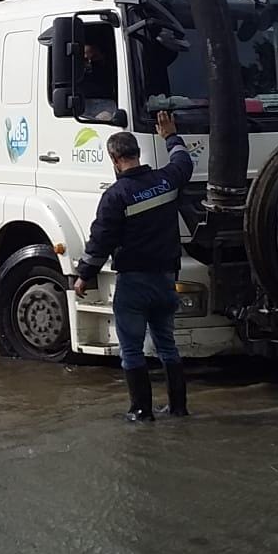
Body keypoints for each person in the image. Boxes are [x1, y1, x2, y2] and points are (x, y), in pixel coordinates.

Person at [74, 111, 193, 422]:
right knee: (167, 345)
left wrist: (83, 276)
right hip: (166, 279)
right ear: (137, 155)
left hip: (134, 284)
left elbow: (101, 240)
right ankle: (179, 408)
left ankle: (141, 411)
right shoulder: (166, 181)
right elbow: (184, 163)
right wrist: (170, 136)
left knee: (132, 350)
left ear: (115, 160)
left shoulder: (116, 196)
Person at [78, 29, 118, 122]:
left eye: (94, 57)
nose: (90, 63)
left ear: (103, 56)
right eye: (85, 59)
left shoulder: (116, 77)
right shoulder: (77, 82)